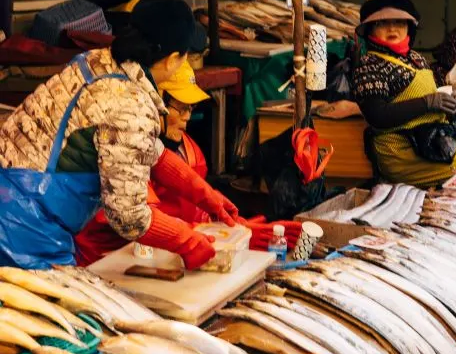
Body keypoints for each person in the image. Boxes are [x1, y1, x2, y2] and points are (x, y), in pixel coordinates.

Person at [0, 0, 240, 270]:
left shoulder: (97, 61)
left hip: (13, 203)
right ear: (174, 59)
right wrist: (187, 242)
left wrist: (205, 195)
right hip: (24, 229)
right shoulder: (131, 102)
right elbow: (128, 215)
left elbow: (137, 146)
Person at [75, 57, 298, 263]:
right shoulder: (124, 144)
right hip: (105, 259)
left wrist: (227, 224)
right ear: (156, 102)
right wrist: (197, 235)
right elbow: (140, 218)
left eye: (190, 108)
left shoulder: (190, 151)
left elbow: (193, 207)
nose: (187, 117)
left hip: (164, 256)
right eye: (180, 107)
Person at [351, 0, 456, 186]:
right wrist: (428, 103)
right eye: (382, 23)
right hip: (401, 150)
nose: (392, 28)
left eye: (399, 22)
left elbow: (432, 98)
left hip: (435, 140)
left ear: (409, 28)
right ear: (370, 30)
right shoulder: (369, 65)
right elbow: (377, 116)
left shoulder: (416, 58)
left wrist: (447, 105)